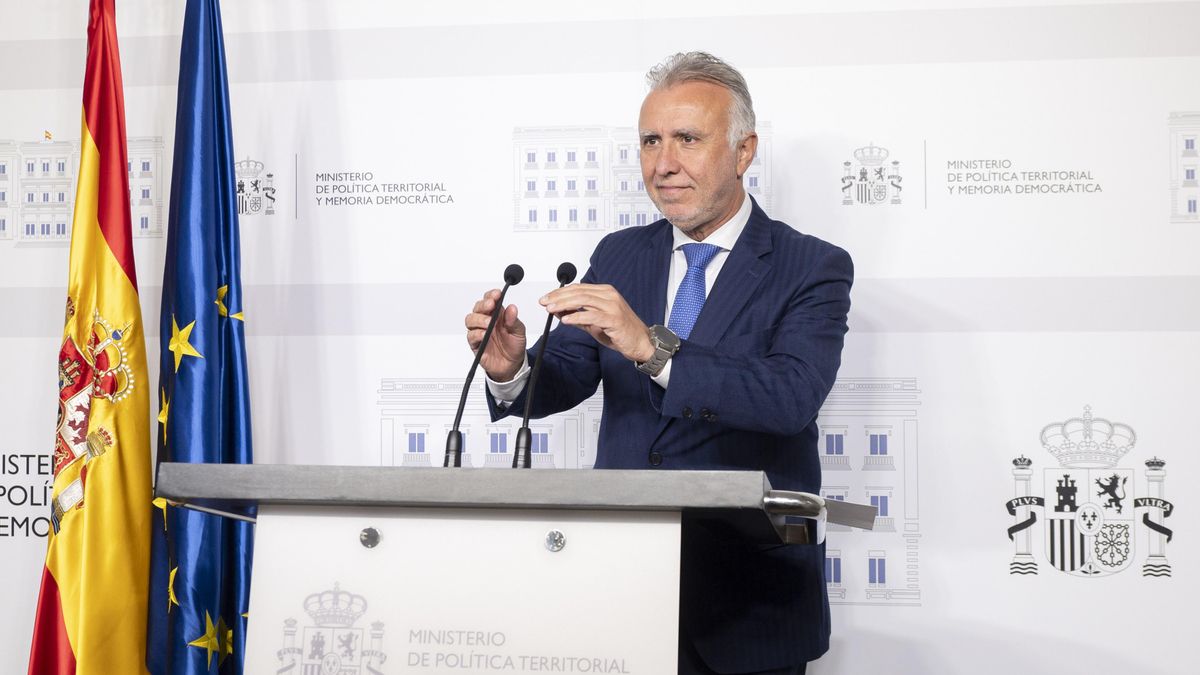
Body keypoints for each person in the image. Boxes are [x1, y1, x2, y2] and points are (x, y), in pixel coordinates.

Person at [465, 52, 853, 675]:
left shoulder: (811, 265)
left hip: (749, 604)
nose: (663, 163)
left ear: (743, 151)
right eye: (650, 141)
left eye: (687, 140)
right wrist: (512, 368)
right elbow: (565, 372)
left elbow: (790, 396)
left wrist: (652, 346)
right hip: (619, 588)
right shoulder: (619, 255)